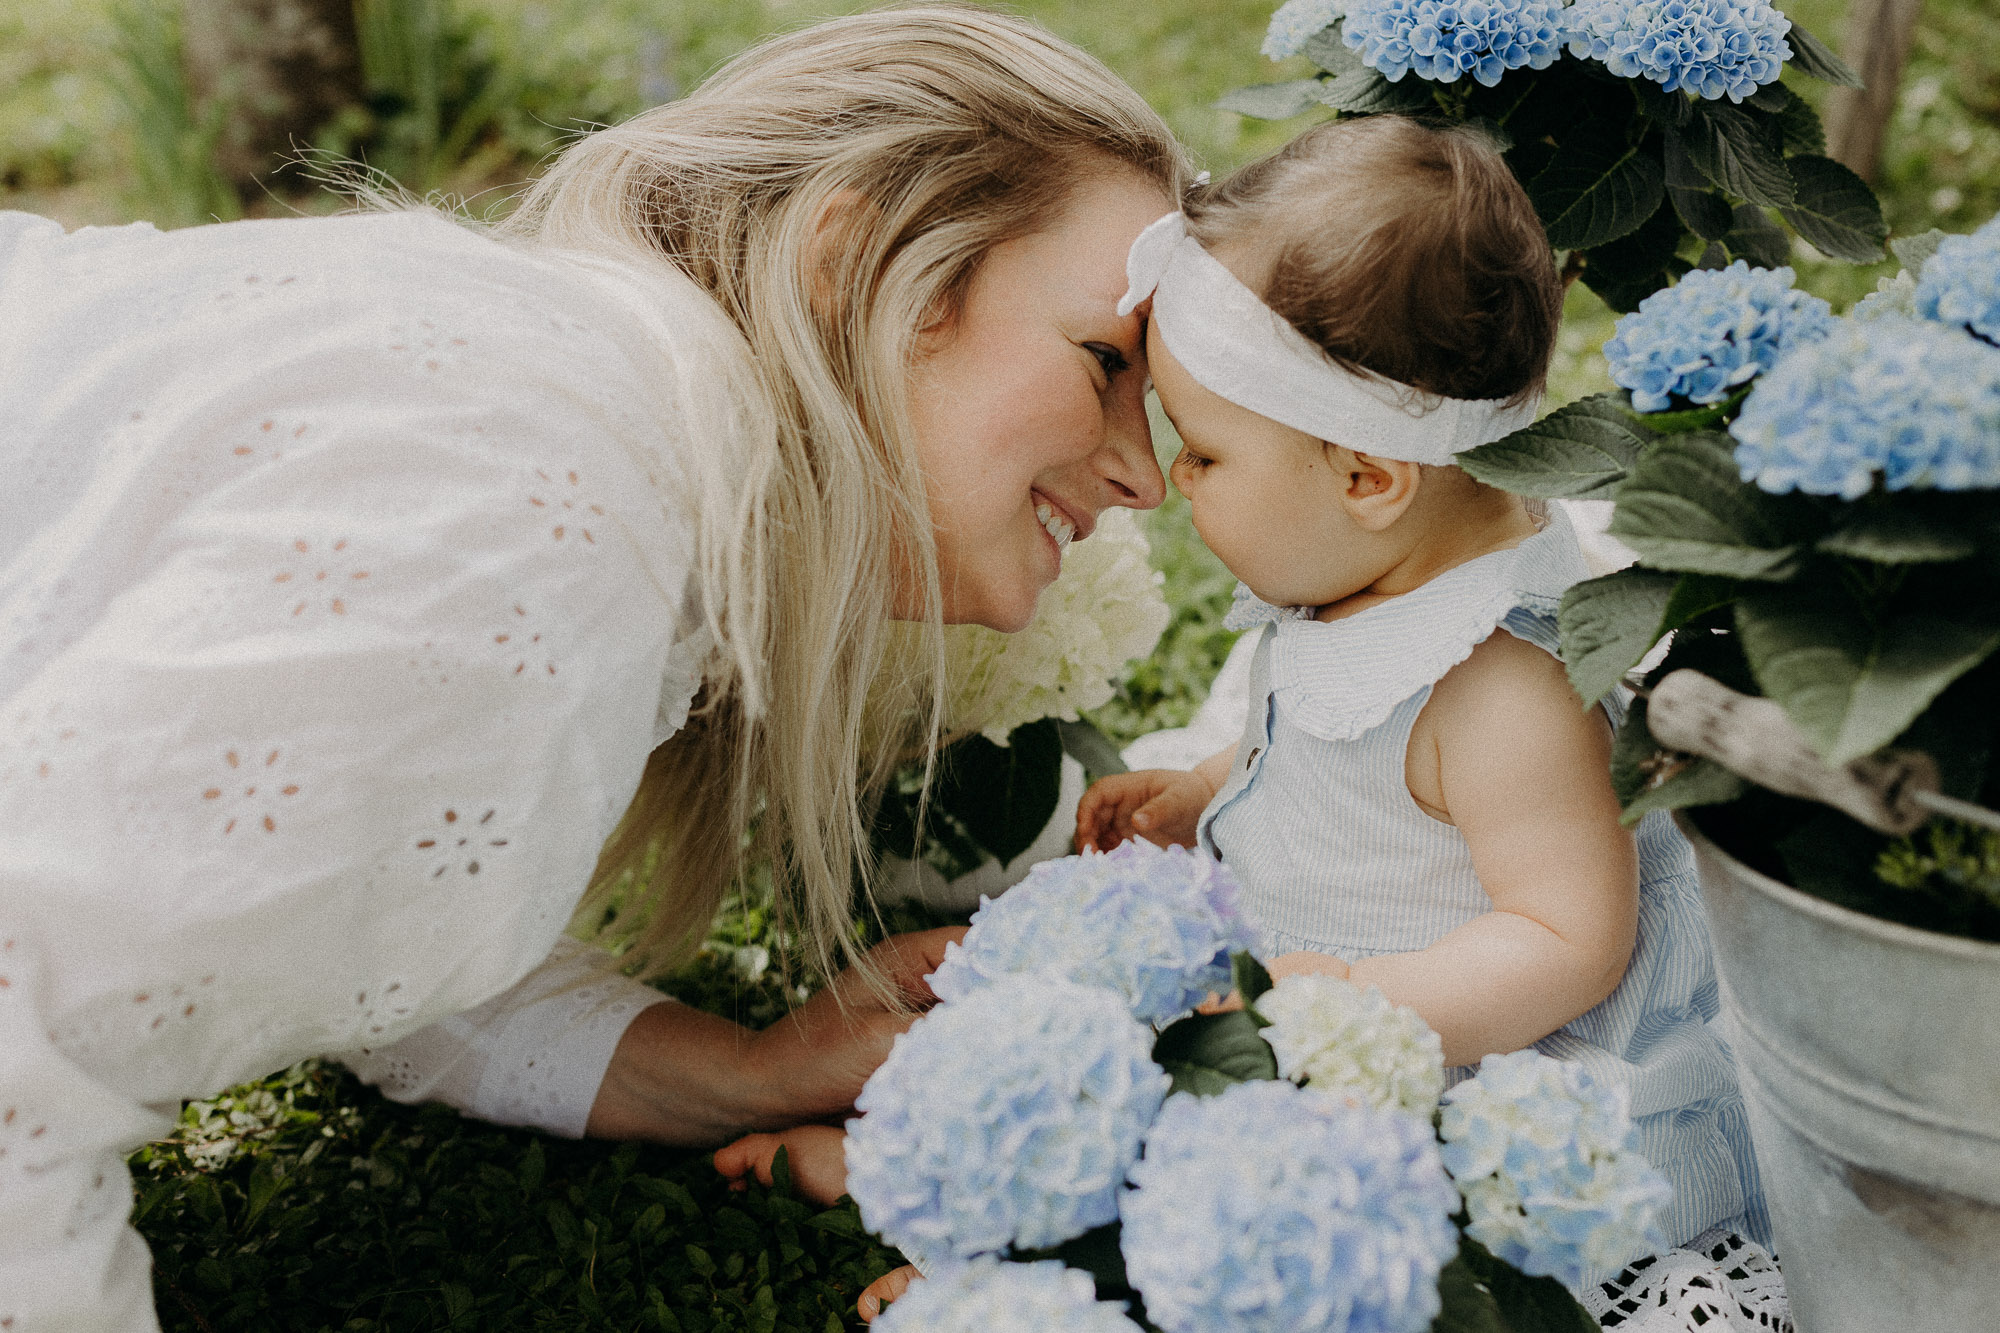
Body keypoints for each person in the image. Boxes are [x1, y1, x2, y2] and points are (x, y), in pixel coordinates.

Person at [0, 8, 1189, 1329]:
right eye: (1104, 359)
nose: (1146, 473)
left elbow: (346, 895)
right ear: (853, 268)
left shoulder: (594, 429)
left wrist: (737, 1071)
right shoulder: (536, 514)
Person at [724, 117, 1787, 1330]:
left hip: (1438, 1080)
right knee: (1149, 1086)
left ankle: (1031, 1264)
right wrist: (1209, 786)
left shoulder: (1500, 687)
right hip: (1292, 1011)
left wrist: (1361, 1003)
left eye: (1206, 453)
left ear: (1366, 479)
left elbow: (1567, 934)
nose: (1168, 479)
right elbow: (1346, 753)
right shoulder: (1361, 581)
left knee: (1257, 1216)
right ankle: (955, 1182)